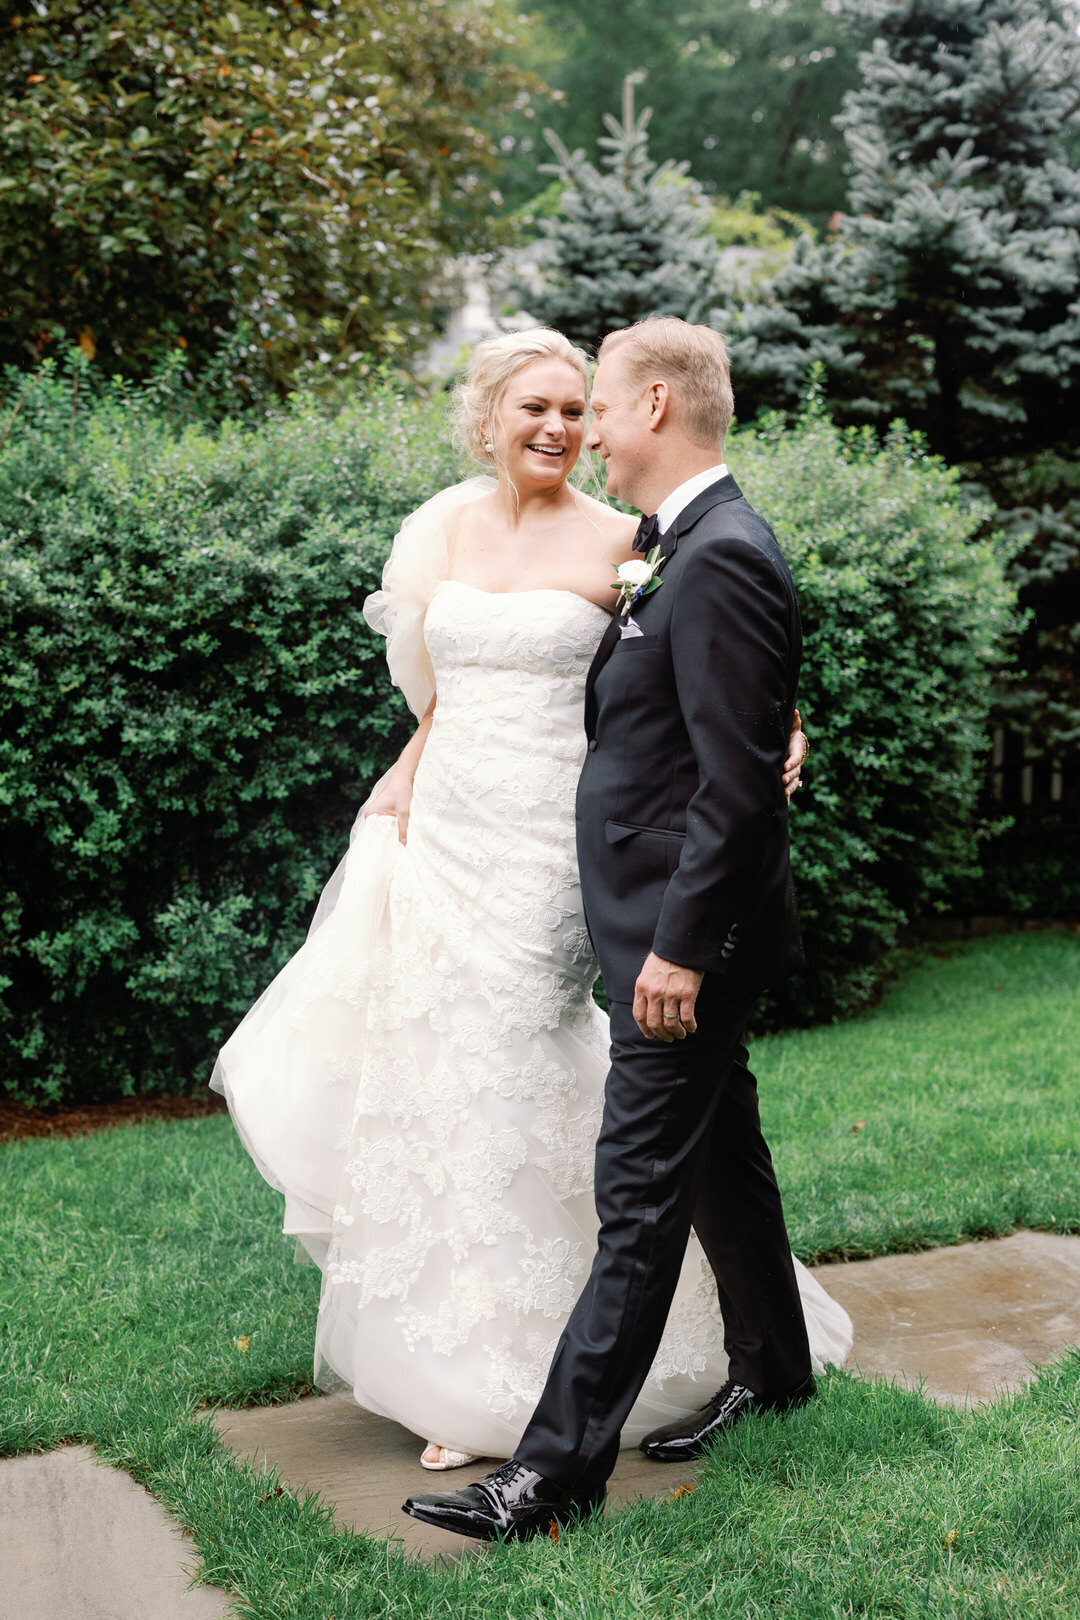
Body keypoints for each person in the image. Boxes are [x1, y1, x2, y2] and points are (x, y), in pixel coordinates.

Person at [212, 326, 850, 1482]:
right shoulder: (441, 529)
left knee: (525, 1073)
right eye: (538, 410)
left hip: (566, 853)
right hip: (453, 833)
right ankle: (726, 1356)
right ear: (488, 416)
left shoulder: (637, 538)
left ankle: (523, 1395)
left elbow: (714, 666)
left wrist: (779, 736)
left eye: (578, 408)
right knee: (451, 1083)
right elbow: (441, 694)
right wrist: (403, 781)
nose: (564, 429)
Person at [404, 318, 828, 1542]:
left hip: (684, 938)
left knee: (636, 1196)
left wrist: (681, 952)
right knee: (716, 1156)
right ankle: (775, 1370)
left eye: (595, 403)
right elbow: (716, 727)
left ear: (650, 405)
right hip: (664, 916)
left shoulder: (723, 550)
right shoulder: (679, 544)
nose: (583, 426)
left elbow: (738, 785)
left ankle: (551, 1477)